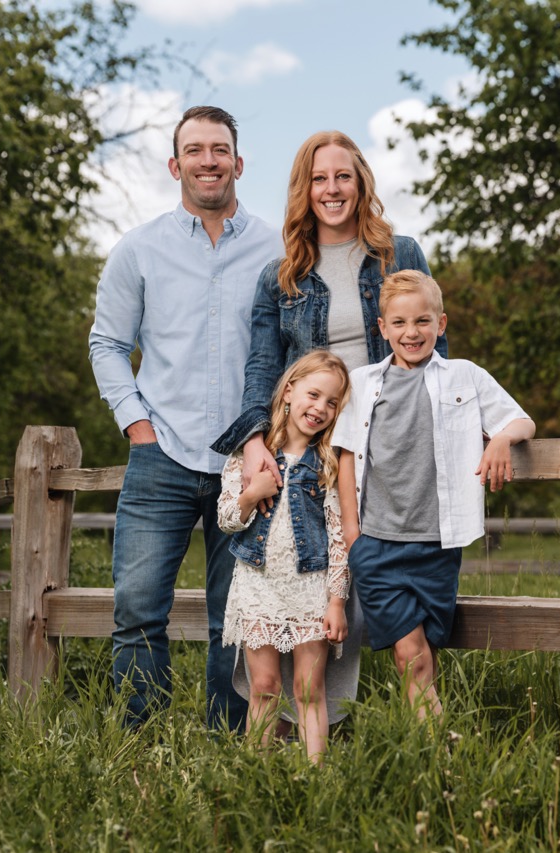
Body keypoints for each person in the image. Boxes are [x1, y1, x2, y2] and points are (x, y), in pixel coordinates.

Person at [211, 129, 447, 721]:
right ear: (305, 189)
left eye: (343, 176)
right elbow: (262, 366)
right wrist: (255, 441)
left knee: (384, 579)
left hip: (390, 448)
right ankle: (302, 725)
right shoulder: (281, 275)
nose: (332, 189)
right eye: (319, 178)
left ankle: (399, 719)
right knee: (306, 573)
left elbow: (435, 355)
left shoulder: (400, 254)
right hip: (315, 451)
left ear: (360, 183)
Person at [88, 106, 282, 731]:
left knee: (238, 615)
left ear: (238, 163)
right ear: (175, 166)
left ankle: (229, 742)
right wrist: (137, 429)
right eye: (194, 150)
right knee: (137, 608)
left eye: (219, 149)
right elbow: (107, 344)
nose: (208, 161)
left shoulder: (278, 248)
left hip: (248, 461)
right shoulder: (138, 249)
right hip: (161, 457)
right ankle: (139, 742)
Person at [333, 270, 535, 718]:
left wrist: (502, 439)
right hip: (377, 545)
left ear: (440, 324)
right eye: (399, 323)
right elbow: (346, 455)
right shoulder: (361, 383)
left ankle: (427, 746)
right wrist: (352, 535)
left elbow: (523, 421)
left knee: (425, 653)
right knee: (410, 653)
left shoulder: (465, 376)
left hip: (437, 545)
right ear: (382, 328)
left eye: (422, 321)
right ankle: (438, 743)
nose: (412, 332)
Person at [217, 351, 352, 763]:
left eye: (332, 402)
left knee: (309, 689)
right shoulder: (249, 456)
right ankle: (255, 773)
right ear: (289, 391)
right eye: (314, 394)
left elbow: (339, 539)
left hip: (310, 589)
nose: (320, 408)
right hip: (258, 586)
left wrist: (336, 602)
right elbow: (226, 519)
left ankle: (317, 774)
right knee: (264, 686)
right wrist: (252, 494)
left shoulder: (328, 464)